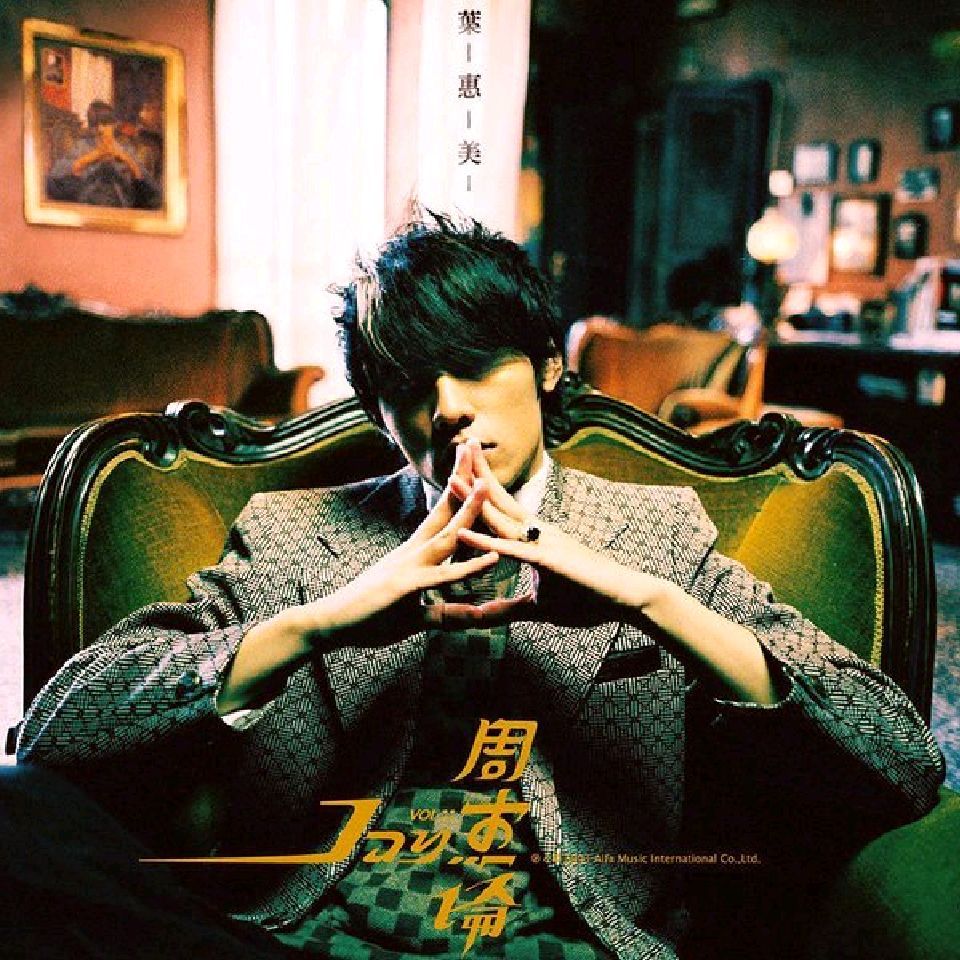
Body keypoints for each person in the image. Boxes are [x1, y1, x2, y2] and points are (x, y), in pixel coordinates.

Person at [11, 213, 945, 959]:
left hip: (567, 938)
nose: (449, 407)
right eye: (410, 383)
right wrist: (320, 622)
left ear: (546, 368)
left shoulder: (660, 534)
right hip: (303, 936)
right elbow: (56, 731)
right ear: (377, 411)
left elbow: (902, 758)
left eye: (477, 366)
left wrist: (655, 604)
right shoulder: (293, 533)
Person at [46, 100, 161, 209]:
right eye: (95, 125)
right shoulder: (82, 146)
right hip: (87, 205)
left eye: (105, 124)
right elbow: (53, 178)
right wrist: (93, 156)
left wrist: (126, 160)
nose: (100, 129)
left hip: (120, 208)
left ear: (114, 124)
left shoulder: (127, 150)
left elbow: (154, 193)